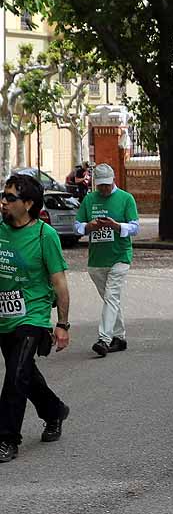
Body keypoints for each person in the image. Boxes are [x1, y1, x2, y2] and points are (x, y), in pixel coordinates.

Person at [0, 174, 71, 463]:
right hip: (4, 316)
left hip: (34, 315)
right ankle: (54, 411)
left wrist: (62, 324)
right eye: (2, 196)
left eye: (10, 198)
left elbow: (59, 283)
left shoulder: (45, 235)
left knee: (16, 374)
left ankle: (6, 439)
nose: (3, 202)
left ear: (28, 204)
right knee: (25, 376)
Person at [74, 163, 139, 357]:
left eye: (107, 185)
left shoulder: (126, 199)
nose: (103, 189)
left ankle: (104, 339)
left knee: (111, 297)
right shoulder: (89, 199)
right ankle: (120, 337)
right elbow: (77, 225)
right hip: (96, 260)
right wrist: (88, 227)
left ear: (113, 181)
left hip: (120, 256)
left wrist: (117, 226)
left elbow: (135, 227)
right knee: (111, 299)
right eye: (100, 185)